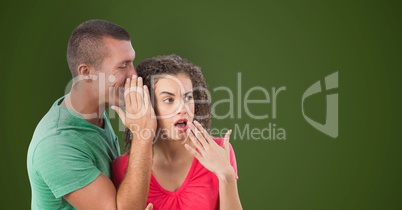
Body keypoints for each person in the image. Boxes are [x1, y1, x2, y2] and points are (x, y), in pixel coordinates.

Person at [27, 19, 155, 210]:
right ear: (86, 73)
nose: (134, 75)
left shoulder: (96, 115)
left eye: (132, 62)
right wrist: (142, 135)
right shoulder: (55, 144)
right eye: (123, 66)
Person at [111, 54, 243, 210]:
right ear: (148, 106)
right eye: (169, 100)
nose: (183, 108)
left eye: (188, 97)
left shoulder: (219, 151)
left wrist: (226, 174)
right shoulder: (122, 168)